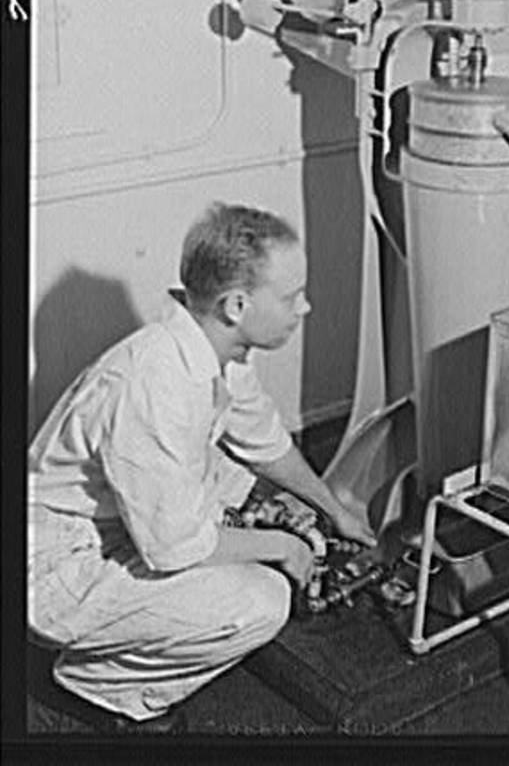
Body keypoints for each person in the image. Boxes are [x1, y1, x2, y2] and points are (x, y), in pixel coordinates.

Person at [28, 202, 376, 732]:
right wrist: (287, 547)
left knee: (237, 491)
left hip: (115, 523)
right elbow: (173, 549)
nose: (303, 308)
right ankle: (102, 688)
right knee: (262, 600)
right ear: (237, 305)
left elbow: (264, 441)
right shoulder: (157, 387)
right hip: (55, 567)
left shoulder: (212, 348)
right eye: (290, 297)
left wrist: (332, 509)